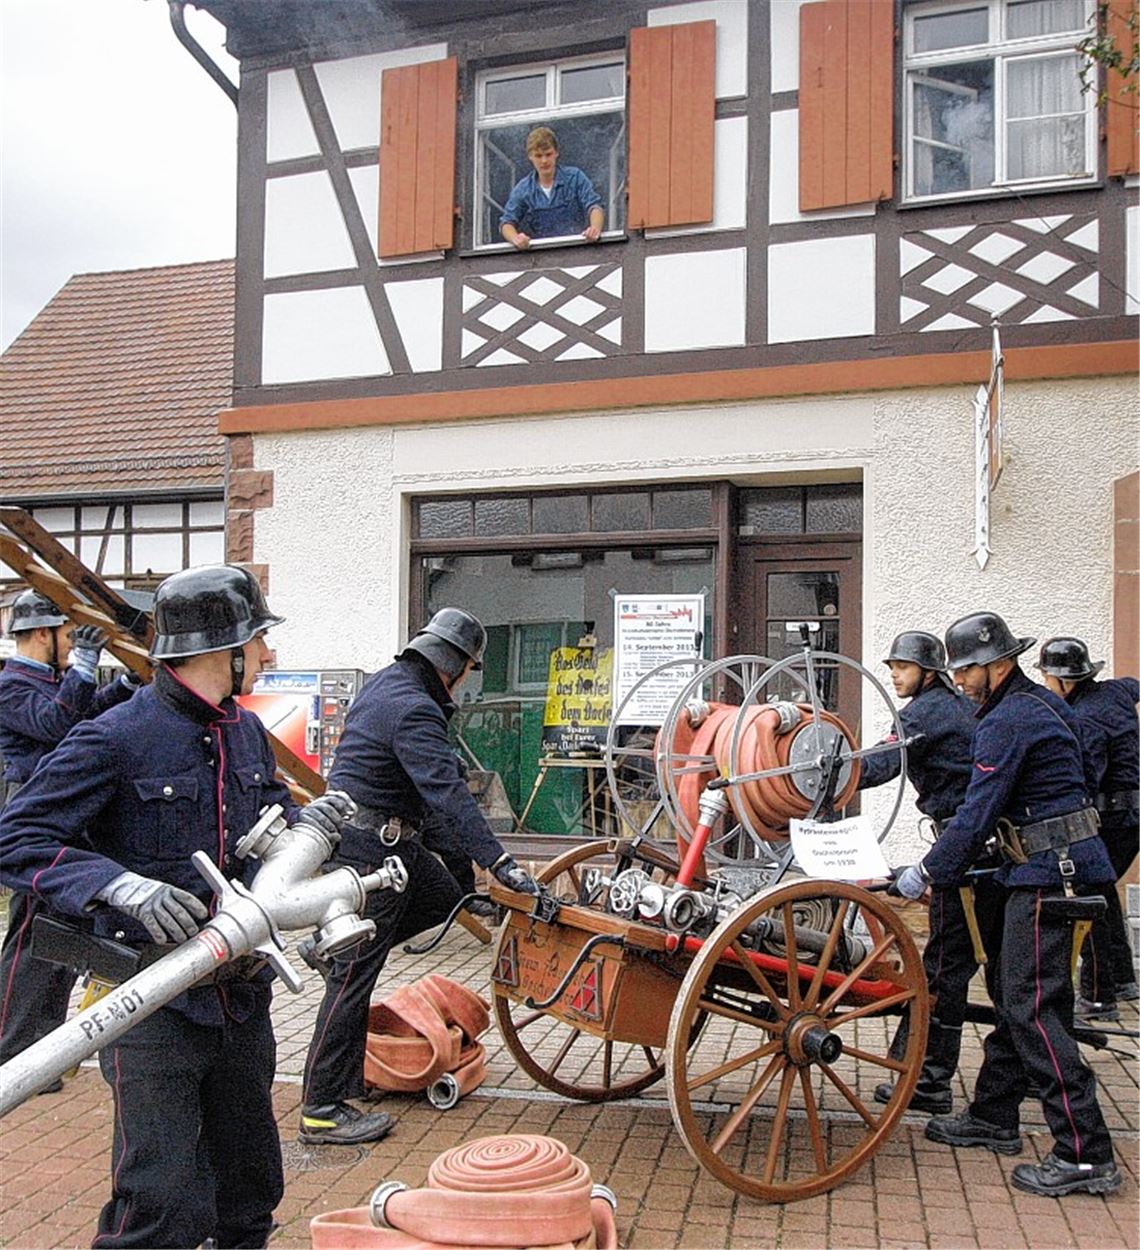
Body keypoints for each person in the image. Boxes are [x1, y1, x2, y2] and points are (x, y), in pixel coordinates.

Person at [0, 565, 353, 1248]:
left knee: (249, 1194)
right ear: (224, 651)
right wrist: (114, 884)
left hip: (238, 1002)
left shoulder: (243, 735)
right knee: (159, 1205)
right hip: (152, 1006)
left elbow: (266, 820)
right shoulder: (117, 735)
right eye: (259, 641)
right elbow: (16, 837)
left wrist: (311, 826)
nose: (269, 654)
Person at [891, 611, 1121, 1198]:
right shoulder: (1032, 708)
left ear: (999, 664)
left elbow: (977, 811)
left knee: (1033, 1006)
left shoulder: (1008, 719)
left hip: (1052, 875)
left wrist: (924, 872)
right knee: (1015, 993)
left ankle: (1084, 1151)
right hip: (1049, 867)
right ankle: (995, 1115)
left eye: (967, 670)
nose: (961, 681)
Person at [300, 607, 541, 1144]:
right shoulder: (413, 708)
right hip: (372, 848)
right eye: (469, 669)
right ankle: (321, 1106)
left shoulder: (391, 686)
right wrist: (500, 863)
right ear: (455, 665)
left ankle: (326, 951)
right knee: (353, 979)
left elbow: (432, 792)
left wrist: (469, 877)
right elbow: (447, 796)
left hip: (388, 841)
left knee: (446, 897)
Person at [858, 630, 1000, 1114]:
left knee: (944, 965)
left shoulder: (927, 711)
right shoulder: (954, 706)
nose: (894, 674)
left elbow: (880, 764)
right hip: (981, 849)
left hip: (964, 852)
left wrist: (824, 769)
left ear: (928, 672)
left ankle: (927, 1080)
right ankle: (932, 1076)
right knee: (963, 963)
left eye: (902, 666)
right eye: (892, 666)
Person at [0, 590, 138, 1080]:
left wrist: (122, 685)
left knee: (59, 940)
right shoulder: (11, 684)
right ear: (43, 633)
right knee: (33, 937)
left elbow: (84, 715)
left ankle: (42, 1054)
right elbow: (58, 723)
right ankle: (15, 1052)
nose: (72, 644)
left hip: (64, 814)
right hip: (34, 820)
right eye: (67, 635)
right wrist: (83, 666)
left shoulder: (51, 682)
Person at [1036, 637, 1139, 1017]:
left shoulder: (1085, 720)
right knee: (1105, 892)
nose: (1046, 683)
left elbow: (1086, 780)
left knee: (1089, 895)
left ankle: (1099, 995)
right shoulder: (1115, 691)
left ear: (1066, 681)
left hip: (1112, 817)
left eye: (1048, 676)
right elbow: (1134, 686)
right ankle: (1124, 978)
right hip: (1131, 818)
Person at [500, 126, 604, 248]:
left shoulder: (575, 177)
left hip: (577, 248)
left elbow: (595, 206)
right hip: (541, 255)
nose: (544, 161)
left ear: (556, 152)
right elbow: (506, 223)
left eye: (548, 154)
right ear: (530, 157)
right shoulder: (523, 190)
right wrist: (516, 239)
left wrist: (594, 230)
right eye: (538, 156)